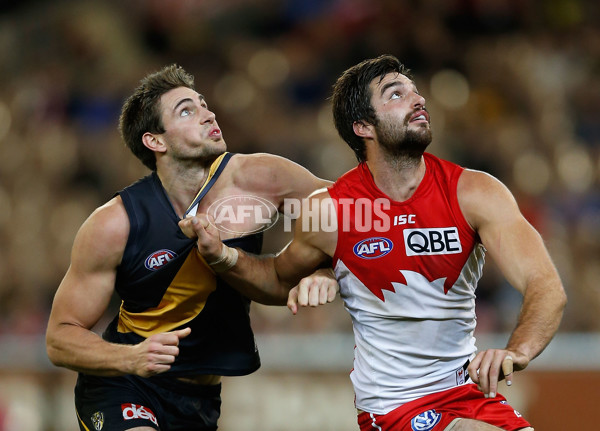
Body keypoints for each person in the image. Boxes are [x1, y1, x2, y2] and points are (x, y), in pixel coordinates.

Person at [180, 55, 567, 431]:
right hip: (396, 407)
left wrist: (518, 350)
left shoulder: (475, 192)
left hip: (467, 392)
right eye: (396, 94)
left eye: (415, 92)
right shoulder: (330, 210)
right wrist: (224, 257)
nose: (418, 100)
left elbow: (545, 285)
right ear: (363, 126)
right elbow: (279, 280)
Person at [45, 64, 337, 431]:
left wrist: (327, 268)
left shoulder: (260, 177)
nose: (208, 114)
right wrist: (131, 358)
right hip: (125, 384)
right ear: (156, 141)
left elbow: (355, 211)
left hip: (200, 399)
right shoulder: (114, 223)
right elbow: (59, 338)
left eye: (203, 104)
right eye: (187, 110)